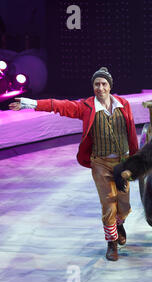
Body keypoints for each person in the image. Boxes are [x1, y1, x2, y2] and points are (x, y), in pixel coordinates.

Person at [8, 67, 139, 262]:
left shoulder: (124, 104)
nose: (100, 88)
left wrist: (135, 160)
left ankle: (119, 223)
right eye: (96, 84)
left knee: (124, 204)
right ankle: (111, 243)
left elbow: (131, 133)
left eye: (104, 84)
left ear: (110, 86)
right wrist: (30, 103)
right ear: (93, 86)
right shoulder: (86, 107)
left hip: (122, 162)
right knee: (108, 201)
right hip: (100, 162)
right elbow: (57, 105)